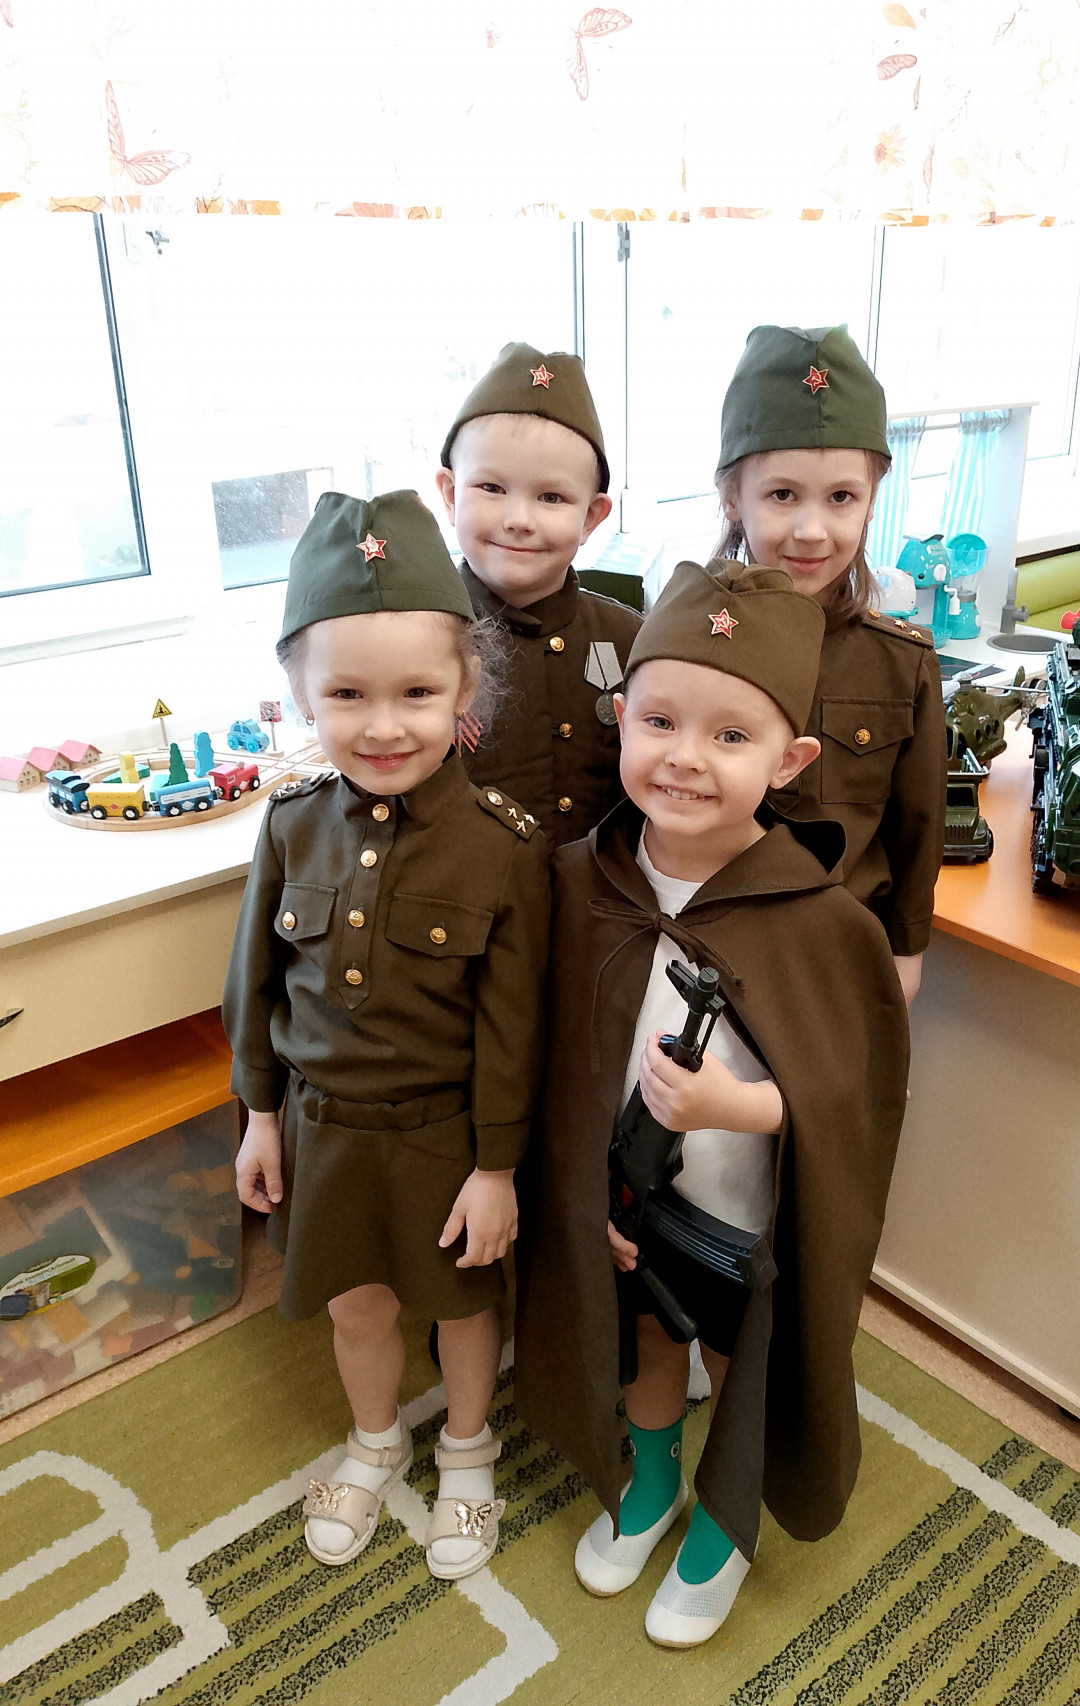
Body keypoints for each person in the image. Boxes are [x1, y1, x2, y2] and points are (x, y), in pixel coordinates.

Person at [515, 558, 910, 1647]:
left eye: (730, 736)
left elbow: (854, 1100)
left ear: (789, 761)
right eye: (660, 721)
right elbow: (554, 1063)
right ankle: (649, 1480)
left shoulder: (824, 922)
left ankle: (725, 1522)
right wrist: (581, 1190)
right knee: (647, 1340)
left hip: (744, 1220)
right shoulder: (576, 882)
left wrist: (735, 1105)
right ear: (621, 719)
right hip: (627, 1200)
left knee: (736, 1362)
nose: (685, 757)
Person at [224, 489, 550, 1577]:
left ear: (464, 690)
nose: (382, 725)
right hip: (323, 1130)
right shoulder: (289, 824)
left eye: (416, 692)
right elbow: (254, 985)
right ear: (301, 697)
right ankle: (375, 1439)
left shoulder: (504, 846)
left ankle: (466, 1447)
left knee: (461, 1305)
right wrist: (259, 1115)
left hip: (447, 1137)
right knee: (356, 1306)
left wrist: (497, 1168)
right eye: (346, 695)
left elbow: (514, 1029)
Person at [712, 324, 947, 1006]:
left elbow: (918, 831)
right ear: (733, 498)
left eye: (841, 498)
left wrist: (906, 953)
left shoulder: (901, 664)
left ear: (871, 500)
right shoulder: (687, 647)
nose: (812, 531)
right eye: (782, 495)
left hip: (840, 968)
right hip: (707, 956)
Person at [437, 342, 644, 849]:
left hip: (607, 895)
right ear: (450, 495)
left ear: (591, 517)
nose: (519, 519)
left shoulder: (636, 642)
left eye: (551, 497)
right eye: (491, 488)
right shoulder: (418, 641)